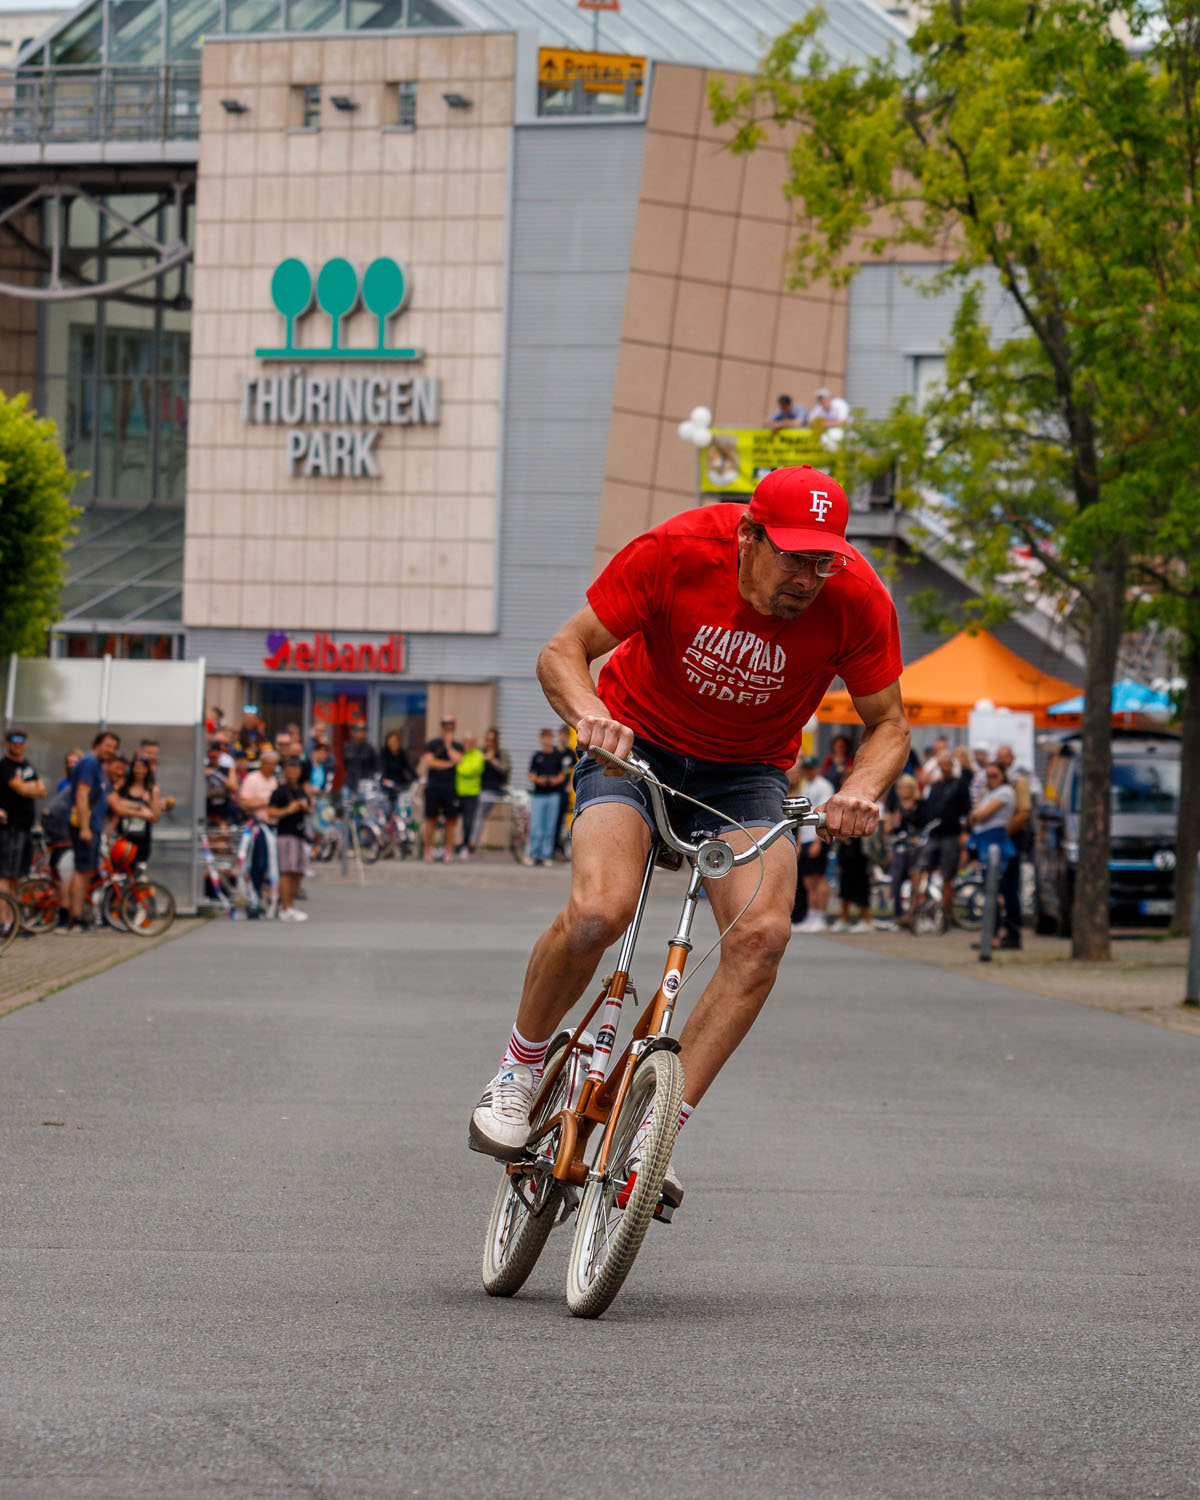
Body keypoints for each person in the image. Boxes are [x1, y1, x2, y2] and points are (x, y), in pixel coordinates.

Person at [467, 464, 909, 1216]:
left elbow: (888, 723)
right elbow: (561, 651)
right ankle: (518, 1067)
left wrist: (863, 788)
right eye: (794, 555)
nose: (810, 576)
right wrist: (589, 713)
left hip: (746, 775)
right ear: (746, 535)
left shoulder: (856, 597)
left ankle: (655, 1135)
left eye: (823, 558)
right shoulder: (677, 552)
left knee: (764, 935)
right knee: (599, 912)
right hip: (634, 748)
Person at [64, 730, 120, 933]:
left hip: (94, 825)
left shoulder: (96, 765)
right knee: (81, 871)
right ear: (97, 744)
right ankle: (74, 918)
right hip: (85, 826)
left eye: (114, 747)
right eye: (108, 745)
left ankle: (78, 915)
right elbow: (81, 793)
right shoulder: (89, 762)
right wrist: (85, 827)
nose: (110, 750)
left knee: (87, 870)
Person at [914, 747, 972, 929]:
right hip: (934, 834)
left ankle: (947, 915)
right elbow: (929, 810)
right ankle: (920, 909)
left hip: (951, 834)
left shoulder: (960, 785)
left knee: (948, 875)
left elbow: (966, 811)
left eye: (947, 764)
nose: (944, 767)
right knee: (922, 869)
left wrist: (964, 832)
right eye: (942, 764)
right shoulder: (936, 786)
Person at [968, 761, 1021, 949]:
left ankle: (1006, 936)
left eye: (994, 775)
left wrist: (977, 815)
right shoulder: (988, 793)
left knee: (1001, 892)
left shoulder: (1005, 791)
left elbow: (980, 815)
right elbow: (973, 816)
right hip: (985, 844)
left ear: (1003, 776)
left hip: (997, 846)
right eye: (987, 776)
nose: (990, 779)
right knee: (991, 891)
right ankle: (992, 936)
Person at [0, 727, 45, 915]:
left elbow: (42, 790)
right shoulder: (5, 766)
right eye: (13, 741)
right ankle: (3, 921)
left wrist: (29, 786)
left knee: (17, 877)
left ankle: (12, 921)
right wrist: (29, 786)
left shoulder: (27, 765)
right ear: (6, 743)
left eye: (21, 741)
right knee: (4, 876)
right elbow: (21, 789)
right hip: (9, 828)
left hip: (24, 828)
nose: (17, 745)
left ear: (25, 744)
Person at [791, 755, 834, 931]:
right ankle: (811, 915)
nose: (808, 771)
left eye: (810, 768)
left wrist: (818, 841)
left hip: (818, 837)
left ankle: (820, 915)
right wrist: (800, 843)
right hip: (807, 835)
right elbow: (801, 818)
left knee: (819, 878)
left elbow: (824, 814)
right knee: (808, 880)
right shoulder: (806, 786)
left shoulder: (824, 786)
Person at [270, 757, 312, 922]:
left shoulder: (301, 790)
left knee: (297, 872)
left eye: (296, 769)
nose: (293, 772)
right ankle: (284, 907)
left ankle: (291, 905)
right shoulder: (280, 791)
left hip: (300, 834)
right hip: (285, 834)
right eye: (290, 769)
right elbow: (271, 811)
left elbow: (309, 810)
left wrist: (305, 807)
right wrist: (289, 809)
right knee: (286, 871)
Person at [420, 716, 462, 862]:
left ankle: (448, 852)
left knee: (450, 821)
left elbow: (459, 760)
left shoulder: (457, 745)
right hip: (434, 786)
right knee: (430, 819)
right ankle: (428, 851)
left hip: (450, 787)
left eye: (451, 725)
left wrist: (448, 746)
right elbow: (430, 762)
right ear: (441, 726)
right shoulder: (433, 743)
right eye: (445, 725)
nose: (448, 728)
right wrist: (448, 764)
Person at [885, 773, 922, 924]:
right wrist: (893, 820)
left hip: (915, 846)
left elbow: (923, 824)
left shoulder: (920, 804)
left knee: (915, 878)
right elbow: (888, 828)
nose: (904, 790)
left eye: (907, 787)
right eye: (901, 787)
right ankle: (898, 913)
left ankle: (914, 912)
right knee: (897, 878)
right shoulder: (894, 805)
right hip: (899, 845)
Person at [526, 728, 566, 867]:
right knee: (536, 826)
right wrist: (539, 780)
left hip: (553, 794)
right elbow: (531, 774)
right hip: (539, 794)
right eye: (544, 737)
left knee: (550, 825)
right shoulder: (537, 756)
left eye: (549, 737)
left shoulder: (557, 755)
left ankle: (546, 854)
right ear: (541, 739)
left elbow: (563, 774)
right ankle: (533, 854)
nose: (547, 740)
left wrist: (555, 780)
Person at [114, 754, 160, 866]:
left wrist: (150, 801)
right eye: (136, 767)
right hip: (123, 835)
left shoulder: (152, 789)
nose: (139, 771)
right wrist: (139, 806)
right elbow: (115, 802)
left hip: (142, 837)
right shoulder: (123, 785)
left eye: (143, 767)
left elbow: (155, 816)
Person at [471, 728, 511, 849]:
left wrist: (493, 760)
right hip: (477, 789)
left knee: (479, 810)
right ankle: (467, 841)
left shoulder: (501, 754)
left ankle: (471, 841)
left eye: (492, 740)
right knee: (471, 810)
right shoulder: (480, 752)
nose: (489, 743)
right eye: (488, 740)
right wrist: (482, 759)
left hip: (493, 791)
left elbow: (506, 769)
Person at [454, 733, 485, 859]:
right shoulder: (460, 753)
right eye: (466, 742)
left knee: (468, 821)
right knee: (451, 819)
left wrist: (460, 766)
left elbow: (472, 769)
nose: (468, 745)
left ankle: (465, 845)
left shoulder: (478, 755)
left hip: (472, 792)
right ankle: (449, 845)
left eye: (471, 742)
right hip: (458, 791)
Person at [554, 725, 578, 858]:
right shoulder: (557, 752)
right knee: (557, 821)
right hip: (557, 790)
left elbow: (574, 768)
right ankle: (556, 848)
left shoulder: (570, 753)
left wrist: (570, 784)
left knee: (567, 819)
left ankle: (564, 849)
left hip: (568, 791)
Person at [342, 722, 379, 795]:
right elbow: (345, 764)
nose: (359, 734)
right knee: (346, 803)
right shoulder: (347, 747)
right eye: (357, 731)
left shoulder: (370, 749)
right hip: (349, 783)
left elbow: (375, 767)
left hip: (364, 784)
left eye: (362, 731)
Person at [381, 729, 416, 803]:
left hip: (400, 783)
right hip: (387, 784)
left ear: (399, 742)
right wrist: (384, 780)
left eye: (395, 742)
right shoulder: (384, 754)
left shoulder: (402, 753)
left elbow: (409, 767)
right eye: (390, 742)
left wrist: (416, 778)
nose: (393, 744)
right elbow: (382, 770)